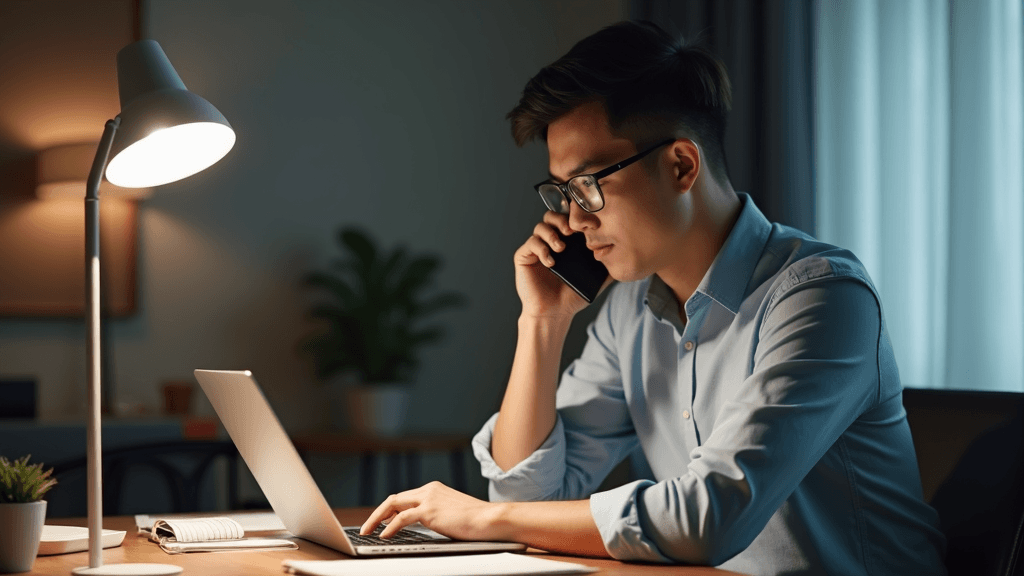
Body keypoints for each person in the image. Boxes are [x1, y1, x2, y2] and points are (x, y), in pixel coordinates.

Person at [360, 20, 947, 575]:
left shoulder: (822, 298)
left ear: (681, 164)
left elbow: (708, 519)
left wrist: (482, 519)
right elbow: (527, 492)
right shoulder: (628, 309)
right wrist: (542, 321)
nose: (573, 218)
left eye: (588, 185)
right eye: (562, 191)